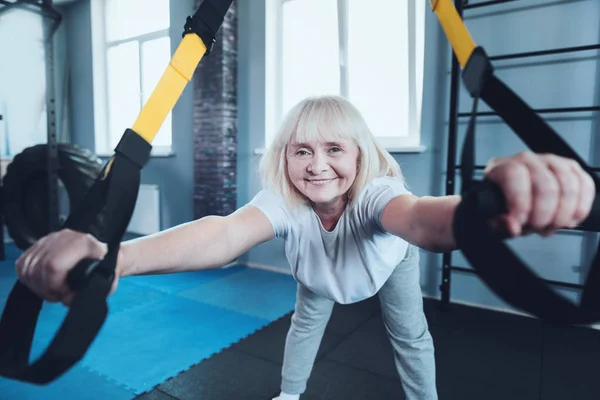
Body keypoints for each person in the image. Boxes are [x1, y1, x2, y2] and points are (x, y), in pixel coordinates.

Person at [15, 95, 596, 399]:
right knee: (304, 326)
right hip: (318, 273)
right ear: (284, 159)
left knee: (411, 335)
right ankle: (290, 392)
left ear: (360, 155)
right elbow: (223, 233)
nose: (317, 166)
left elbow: (420, 220)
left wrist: (485, 209)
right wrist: (111, 256)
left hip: (384, 266)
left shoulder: (377, 195)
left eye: (334, 150)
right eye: (301, 152)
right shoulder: (283, 200)